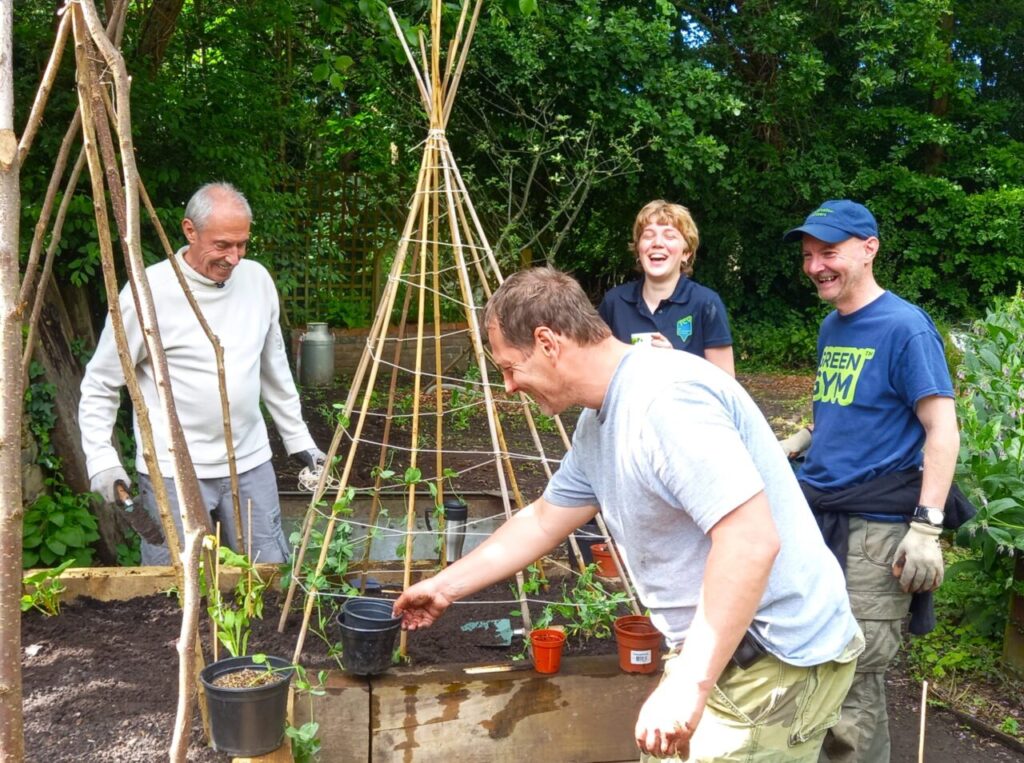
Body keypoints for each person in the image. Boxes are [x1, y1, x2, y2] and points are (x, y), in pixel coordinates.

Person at [395, 267, 862, 761]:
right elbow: (543, 518)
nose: (509, 386)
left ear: (548, 342)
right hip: (727, 655)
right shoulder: (599, 421)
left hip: (771, 661)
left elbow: (750, 541)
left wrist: (687, 684)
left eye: (511, 367)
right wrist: (444, 587)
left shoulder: (665, 401)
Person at [782, 200, 967, 763]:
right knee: (814, 669)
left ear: (869, 248)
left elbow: (942, 428)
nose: (816, 266)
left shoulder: (905, 328)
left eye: (829, 252)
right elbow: (850, 407)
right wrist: (801, 440)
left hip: (873, 534)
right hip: (821, 519)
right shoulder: (831, 326)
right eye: (809, 255)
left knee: (852, 683)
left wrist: (927, 526)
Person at [79, 182, 325, 565]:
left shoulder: (257, 281)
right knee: (176, 584)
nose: (235, 258)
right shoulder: (147, 293)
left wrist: (300, 441)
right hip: (173, 471)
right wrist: (101, 459)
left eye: (242, 244)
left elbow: (274, 369)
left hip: (250, 462)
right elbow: (101, 382)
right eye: (223, 245)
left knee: (268, 575)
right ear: (189, 231)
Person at [598, 200, 735, 376]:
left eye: (669, 236)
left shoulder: (706, 303)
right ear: (638, 249)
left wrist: (674, 363)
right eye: (648, 236)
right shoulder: (614, 303)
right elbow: (596, 372)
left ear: (686, 253)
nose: (657, 243)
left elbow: (725, 385)